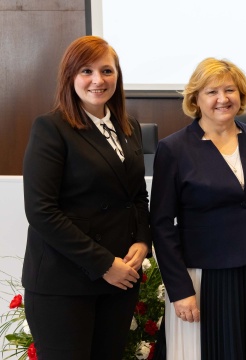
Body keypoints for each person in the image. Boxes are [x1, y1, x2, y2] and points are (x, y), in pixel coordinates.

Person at [21, 35, 151, 360]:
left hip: (118, 281)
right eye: (86, 71)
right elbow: (41, 211)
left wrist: (142, 240)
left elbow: (137, 196)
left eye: (107, 71)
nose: (98, 80)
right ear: (70, 77)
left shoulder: (129, 126)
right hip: (64, 283)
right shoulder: (51, 128)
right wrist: (104, 264)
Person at [151, 58, 246, 359]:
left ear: (241, 94)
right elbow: (160, 223)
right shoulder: (174, 148)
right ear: (195, 98)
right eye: (212, 92)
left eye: (230, 90)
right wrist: (179, 289)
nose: (222, 99)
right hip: (206, 277)